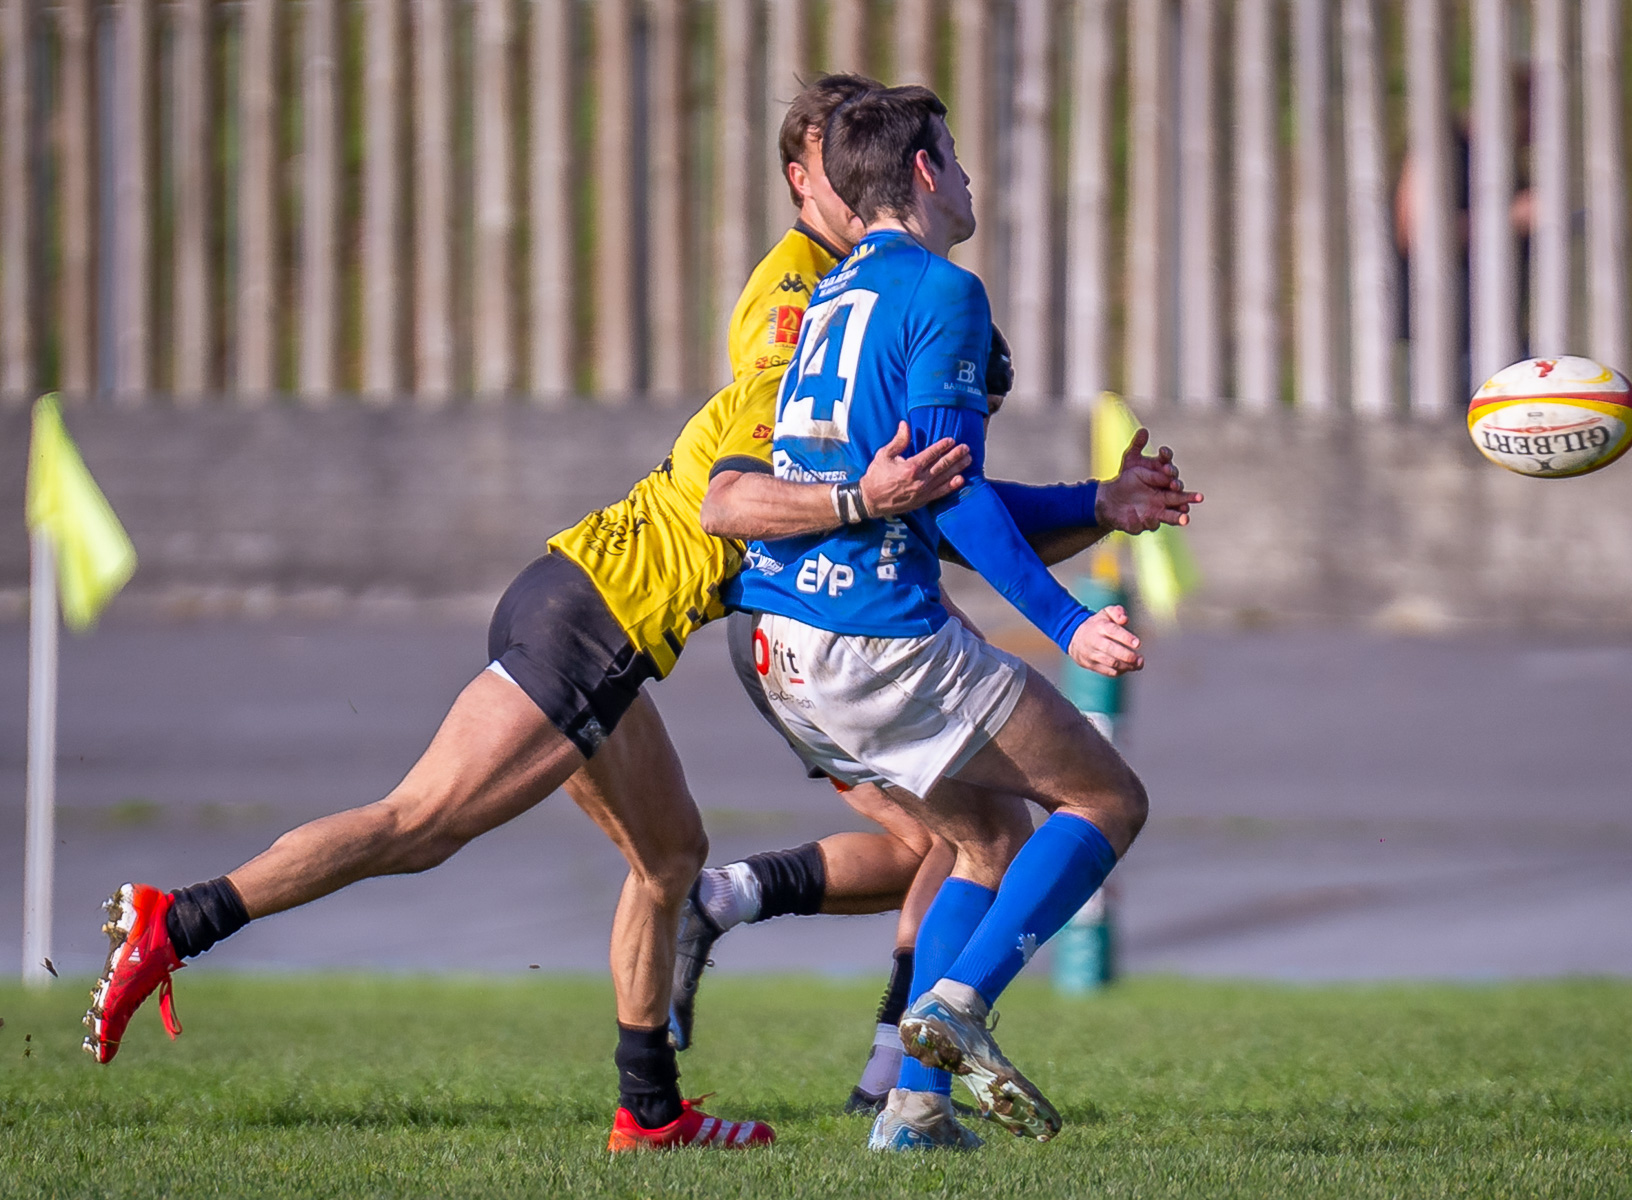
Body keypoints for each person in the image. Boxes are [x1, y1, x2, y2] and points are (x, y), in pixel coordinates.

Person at [78, 78, 977, 1152]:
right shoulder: (799, 329)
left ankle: (649, 1112)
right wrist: (861, 498)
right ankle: (173, 920)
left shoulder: (835, 311)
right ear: (809, 182)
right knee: (418, 827)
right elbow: (736, 490)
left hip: (594, 607)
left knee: (669, 856)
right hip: (592, 619)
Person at [668, 72, 1197, 1125]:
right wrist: (1067, 622)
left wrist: (1097, 500)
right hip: (877, 635)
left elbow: (929, 480)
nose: (969, 182)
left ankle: (913, 1114)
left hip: (786, 637)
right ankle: (958, 1005)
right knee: (1108, 801)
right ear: (922, 171)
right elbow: (951, 500)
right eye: (955, 160)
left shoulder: (828, 295)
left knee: (989, 836)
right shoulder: (944, 291)